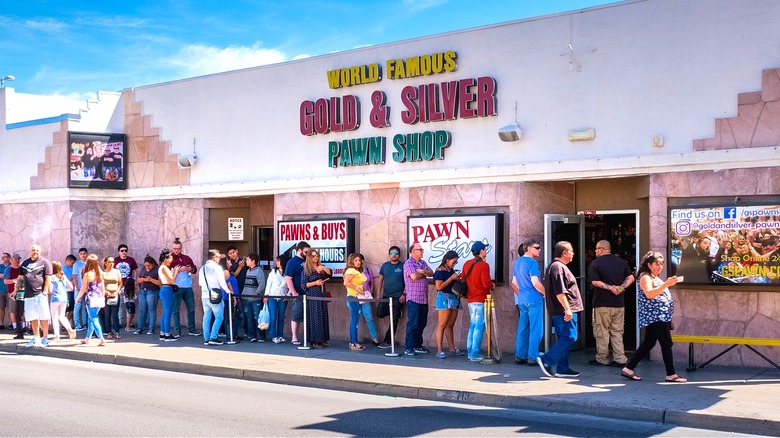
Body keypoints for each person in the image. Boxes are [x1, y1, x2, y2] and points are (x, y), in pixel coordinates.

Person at [621, 251, 687, 383]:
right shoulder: (645, 277)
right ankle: (671, 373)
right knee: (666, 343)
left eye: (661, 264)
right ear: (649, 264)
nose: (660, 267)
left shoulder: (653, 276)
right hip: (655, 316)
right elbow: (650, 294)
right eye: (657, 264)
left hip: (660, 316)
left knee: (649, 343)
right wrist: (666, 284)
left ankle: (629, 368)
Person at [537, 241, 583, 378]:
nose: (573, 254)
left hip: (561, 310)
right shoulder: (557, 267)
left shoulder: (556, 266)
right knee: (570, 336)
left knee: (564, 338)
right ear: (564, 253)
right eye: (571, 251)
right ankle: (547, 359)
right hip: (563, 311)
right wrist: (567, 309)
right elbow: (560, 292)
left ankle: (562, 368)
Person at [587, 240, 635, 367]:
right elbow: (631, 277)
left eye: (597, 249)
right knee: (617, 331)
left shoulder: (595, 264)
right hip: (619, 304)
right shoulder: (621, 262)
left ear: (602, 249)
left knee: (601, 332)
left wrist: (610, 288)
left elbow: (595, 282)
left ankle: (602, 358)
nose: (595, 251)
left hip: (602, 303)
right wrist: (621, 287)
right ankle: (620, 358)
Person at [512, 240, 546, 366]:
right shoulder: (532, 263)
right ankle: (532, 356)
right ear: (529, 249)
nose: (539, 250)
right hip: (534, 298)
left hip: (522, 299)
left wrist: (521, 295)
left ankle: (520, 355)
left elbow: (514, 284)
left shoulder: (517, 262)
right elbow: (536, 283)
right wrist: (545, 293)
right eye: (537, 247)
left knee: (523, 327)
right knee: (536, 328)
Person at [463, 241, 495, 362]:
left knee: (473, 325)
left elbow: (463, 279)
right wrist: (492, 285)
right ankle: (474, 354)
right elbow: (486, 283)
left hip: (470, 299)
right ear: (481, 251)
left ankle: (470, 351)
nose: (486, 251)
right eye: (485, 249)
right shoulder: (483, 265)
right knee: (480, 326)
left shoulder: (466, 264)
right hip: (481, 299)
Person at [403, 243, 433, 356]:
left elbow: (431, 272)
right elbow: (414, 277)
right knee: (413, 323)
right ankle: (409, 347)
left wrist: (423, 272)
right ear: (413, 251)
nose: (422, 251)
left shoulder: (423, 263)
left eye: (422, 249)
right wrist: (422, 273)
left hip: (423, 299)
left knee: (422, 323)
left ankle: (417, 345)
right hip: (413, 298)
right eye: (420, 249)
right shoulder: (408, 263)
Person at [20, 244, 53, 347]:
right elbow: (21, 278)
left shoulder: (45, 262)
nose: (35, 252)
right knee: (32, 317)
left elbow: (48, 278)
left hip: (40, 294)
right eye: (33, 250)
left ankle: (45, 338)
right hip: (28, 295)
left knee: (44, 316)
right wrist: (16, 290)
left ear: (40, 251)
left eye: (37, 250)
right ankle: (36, 338)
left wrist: (45, 291)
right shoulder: (25, 263)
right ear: (30, 251)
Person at [433, 250, 464, 359]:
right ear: (447, 260)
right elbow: (439, 287)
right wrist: (451, 278)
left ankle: (452, 348)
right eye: (453, 261)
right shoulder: (439, 271)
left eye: (456, 262)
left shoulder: (451, 271)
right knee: (442, 325)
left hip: (453, 297)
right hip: (444, 298)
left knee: (450, 325)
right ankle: (439, 350)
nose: (454, 264)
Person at [375, 246, 406, 349]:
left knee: (393, 320)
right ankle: (397, 313)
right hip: (386, 296)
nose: (394, 255)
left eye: (396, 253)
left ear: (399, 255)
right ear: (389, 255)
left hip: (398, 297)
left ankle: (387, 342)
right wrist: (379, 293)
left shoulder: (403, 266)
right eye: (392, 253)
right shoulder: (385, 266)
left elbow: (408, 281)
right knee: (380, 313)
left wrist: (404, 294)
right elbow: (380, 280)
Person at [199, 249, 230, 346]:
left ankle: (206, 338)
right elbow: (222, 282)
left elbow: (200, 283)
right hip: (215, 295)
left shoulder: (202, 268)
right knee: (219, 316)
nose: (219, 259)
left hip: (204, 295)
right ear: (214, 257)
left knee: (207, 316)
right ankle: (213, 337)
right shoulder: (217, 267)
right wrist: (228, 291)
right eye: (218, 257)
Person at [303, 249, 332, 348]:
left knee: (323, 316)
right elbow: (303, 284)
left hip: (322, 294)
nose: (315, 258)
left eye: (317, 256)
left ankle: (323, 339)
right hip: (313, 295)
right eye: (313, 256)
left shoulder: (320, 267)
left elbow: (329, 274)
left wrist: (323, 268)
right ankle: (315, 341)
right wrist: (315, 283)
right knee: (315, 318)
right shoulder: (306, 269)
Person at [170, 238, 199, 337]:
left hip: (187, 287)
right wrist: (176, 270)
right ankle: (177, 331)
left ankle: (192, 329)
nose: (176, 250)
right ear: (172, 248)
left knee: (191, 308)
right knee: (175, 310)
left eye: (178, 248)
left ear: (181, 248)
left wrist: (189, 268)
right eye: (174, 248)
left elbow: (195, 269)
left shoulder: (186, 258)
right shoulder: (169, 258)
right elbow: (165, 271)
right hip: (176, 287)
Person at [284, 241, 310, 346]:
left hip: (309, 292)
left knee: (308, 316)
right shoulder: (292, 262)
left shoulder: (308, 260)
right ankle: (294, 337)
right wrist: (294, 292)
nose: (307, 254)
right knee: (297, 315)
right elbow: (288, 278)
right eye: (305, 252)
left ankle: (309, 337)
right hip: (298, 293)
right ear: (299, 250)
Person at [77, 254, 106, 346]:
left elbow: (83, 288)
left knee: (93, 318)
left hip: (90, 298)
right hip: (99, 297)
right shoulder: (100, 273)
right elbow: (103, 288)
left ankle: (101, 338)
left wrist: (78, 297)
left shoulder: (87, 274)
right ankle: (87, 338)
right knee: (91, 318)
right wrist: (103, 297)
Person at [343, 253, 369, 350]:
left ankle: (353, 342)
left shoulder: (358, 271)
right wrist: (358, 288)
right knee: (354, 320)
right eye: (355, 260)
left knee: (355, 320)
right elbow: (346, 282)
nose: (358, 262)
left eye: (359, 260)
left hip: (357, 297)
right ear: (351, 261)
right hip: (353, 297)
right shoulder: (351, 270)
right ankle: (354, 342)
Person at [242, 253, 267, 343]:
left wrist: (255, 294)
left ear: (253, 261)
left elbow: (262, 285)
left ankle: (261, 335)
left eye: (248, 260)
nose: (246, 261)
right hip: (246, 298)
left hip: (255, 299)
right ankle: (252, 335)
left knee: (258, 317)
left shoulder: (259, 271)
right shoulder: (248, 271)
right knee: (249, 318)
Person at [265, 255, 290, 343]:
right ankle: (273, 335)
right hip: (272, 296)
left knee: (281, 317)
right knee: (273, 316)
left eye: (278, 261)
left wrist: (288, 295)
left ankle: (280, 335)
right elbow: (269, 283)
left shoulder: (287, 272)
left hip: (283, 296)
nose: (277, 262)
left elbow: (291, 285)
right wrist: (266, 295)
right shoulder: (273, 271)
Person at [49, 261, 76, 341]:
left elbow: (50, 290)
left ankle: (57, 336)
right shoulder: (63, 276)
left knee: (54, 317)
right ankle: (70, 330)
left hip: (55, 298)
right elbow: (71, 287)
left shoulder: (51, 277)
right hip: (64, 298)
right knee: (62, 316)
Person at [158, 248, 181, 342]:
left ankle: (162, 333)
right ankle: (167, 334)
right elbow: (172, 280)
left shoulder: (161, 268)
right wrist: (176, 271)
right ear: (166, 259)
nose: (171, 261)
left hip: (165, 289)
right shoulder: (164, 268)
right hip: (167, 290)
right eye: (170, 259)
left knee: (165, 313)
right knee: (168, 313)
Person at [135, 256, 161, 335]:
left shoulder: (157, 269)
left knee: (151, 310)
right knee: (142, 310)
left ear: (153, 264)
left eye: (149, 265)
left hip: (153, 291)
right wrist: (142, 279)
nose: (147, 267)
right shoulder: (143, 269)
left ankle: (151, 328)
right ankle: (140, 327)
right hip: (143, 291)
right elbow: (138, 280)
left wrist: (150, 279)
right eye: (146, 265)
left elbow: (160, 283)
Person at [115, 244, 138, 332]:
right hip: (119, 285)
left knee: (129, 305)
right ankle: (120, 322)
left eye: (125, 250)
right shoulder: (115, 260)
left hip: (129, 286)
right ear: (119, 252)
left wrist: (134, 281)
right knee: (120, 304)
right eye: (122, 250)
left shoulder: (131, 260)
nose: (124, 252)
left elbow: (134, 270)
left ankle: (129, 323)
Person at [102, 256, 123, 339]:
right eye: (109, 262)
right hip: (106, 295)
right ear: (105, 263)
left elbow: (120, 283)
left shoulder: (117, 272)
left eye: (113, 262)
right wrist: (106, 292)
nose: (111, 264)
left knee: (115, 314)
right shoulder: (102, 273)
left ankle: (117, 332)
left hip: (115, 295)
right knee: (107, 314)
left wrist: (116, 292)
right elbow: (100, 284)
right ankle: (109, 332)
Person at [4, 254, 24, 339]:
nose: (17, 261)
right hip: (12, 292)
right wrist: (14, 280)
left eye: (18, 259)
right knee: (13, 310)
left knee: (22, 311)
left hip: (22, 293)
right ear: (11, 260)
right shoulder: (8, 269)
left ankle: (23, 326)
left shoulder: (22, 269)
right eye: (15, 259)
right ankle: (15, 326)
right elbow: (5, 281)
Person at [72, 248, 88, 331]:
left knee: (85, 306)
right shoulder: (77, 264)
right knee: (77, 306)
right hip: (79, 288)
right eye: (81, 253)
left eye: (84, 253)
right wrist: (77, 287)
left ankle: (85, 323)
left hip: (88, 288)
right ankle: (77, 324)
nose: (83, 255)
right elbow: (74, 276)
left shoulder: (89, 263)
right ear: (79, 255)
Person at [62, 254, 77, 329]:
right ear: (68, 261)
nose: (73, 264)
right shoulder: (62, 269)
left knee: (71, 308)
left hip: (72, 290)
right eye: (72, 263)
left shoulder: (71, 269)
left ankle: (66, 323)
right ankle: (65, 324)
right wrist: (73, 277)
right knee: (66, 308)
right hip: (65, 291)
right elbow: (65, 279)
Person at [0, 252, 10, 329]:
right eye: (2, 257)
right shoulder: (0, 266)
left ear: (9, 258)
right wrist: (6, 275)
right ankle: (1, 323)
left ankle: (11, 324)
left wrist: (2, 275)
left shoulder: (11, 266)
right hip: (1, 289)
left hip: (10, 290)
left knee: (11, 308)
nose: (2, 258)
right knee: (1, 307)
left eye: (4, 257)